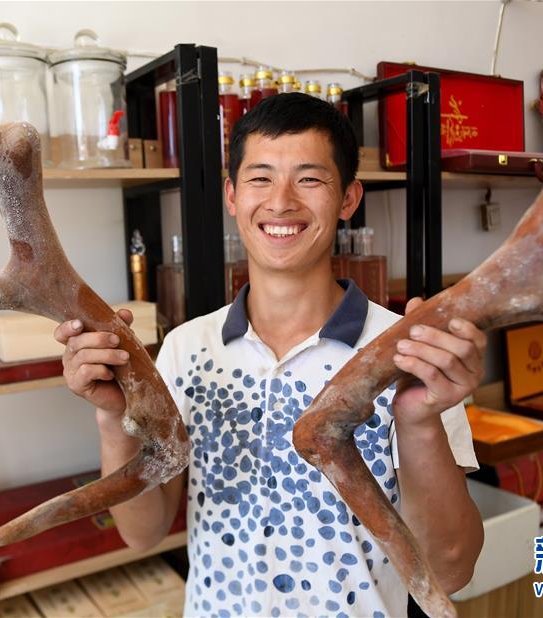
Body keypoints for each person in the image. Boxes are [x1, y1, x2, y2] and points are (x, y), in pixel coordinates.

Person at [55, 93, 485, 617]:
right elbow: (143, 532)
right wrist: (113, 417)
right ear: (232, 196)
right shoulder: (186, 348)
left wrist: (419, 422)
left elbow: (450, 571)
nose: (281, 202)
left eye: (310, 179)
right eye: (260, 178)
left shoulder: (407, 355)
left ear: (349, 198)